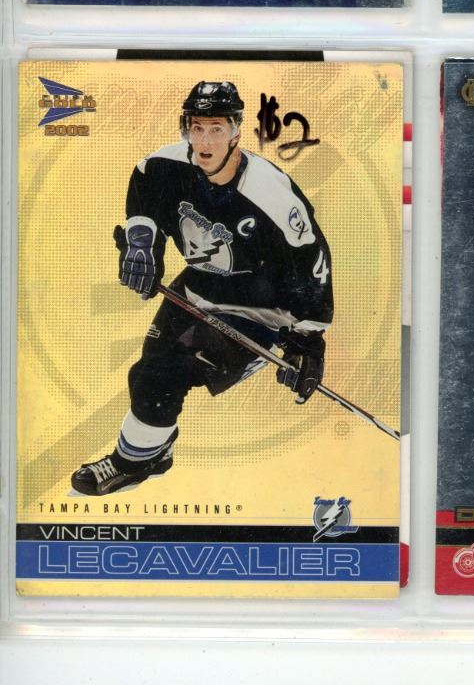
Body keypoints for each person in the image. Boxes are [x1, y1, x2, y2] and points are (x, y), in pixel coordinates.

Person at [72, 80, 332, 493]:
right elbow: (144, 192)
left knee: (161, 378)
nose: (205, 140)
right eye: (197, 128)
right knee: (147, 371)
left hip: (261, 310)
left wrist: (308, 339)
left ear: (236, 132)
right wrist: (143, 245)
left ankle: (130, 464)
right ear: (186, 129)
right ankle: (154, 451)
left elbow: (312, 260)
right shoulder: (165, 166)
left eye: (216, 128)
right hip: (198, 288)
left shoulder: (270, 193)